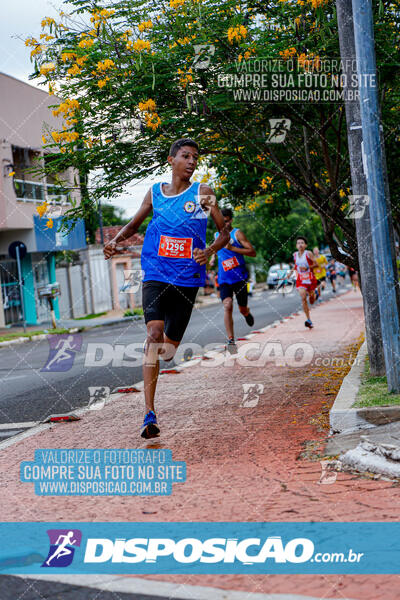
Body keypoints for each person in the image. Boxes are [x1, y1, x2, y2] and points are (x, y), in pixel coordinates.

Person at [103, 138, 230, 439]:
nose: (192, 162)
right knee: (153, 335)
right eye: (186, 156)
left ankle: (157, 376)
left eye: (195, 158)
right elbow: (134, 225)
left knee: (169, 351)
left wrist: (209, 250)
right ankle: (149, 413)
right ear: (171, 160)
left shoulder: (203, 193)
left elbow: (224, 232)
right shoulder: (155, 193)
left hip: (187, 280)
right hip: (156, 274)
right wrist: (115, 240)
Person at [210, 208, 256, 353]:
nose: (225, 224)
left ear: (231, 220)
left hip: (239, 277)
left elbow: (252, 252)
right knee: (227, 305)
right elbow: (216, 249)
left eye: (227, 220)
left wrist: (233, 248)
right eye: (222, 221)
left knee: (242, 308)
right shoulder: (216, 234)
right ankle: (231, 340)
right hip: (224, 278)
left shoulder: (237, 234)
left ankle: (247, 313)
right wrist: (212, 258)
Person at [287, 236, 318, 329]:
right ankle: (309, 319)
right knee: (303, 298)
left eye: (302, 243)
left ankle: (313, 294)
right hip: (301, 279)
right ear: (296, 245)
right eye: (298, 243)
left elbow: (316, 264)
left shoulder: (308, 253)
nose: (300, 244)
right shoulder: (295, 255)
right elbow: (296, 265)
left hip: (310, 279)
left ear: (305, 245)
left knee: (312, 301)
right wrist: (290, 273)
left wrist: (308, 268)